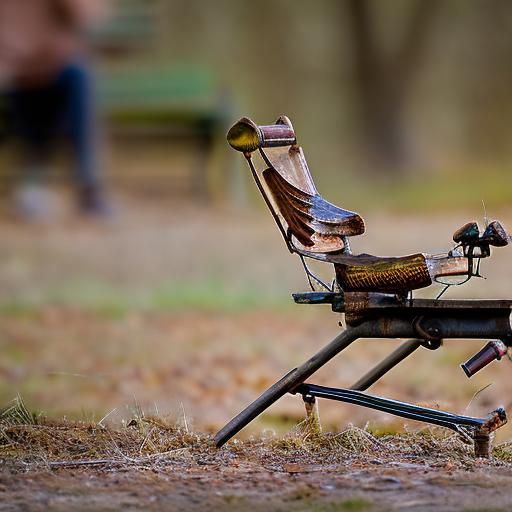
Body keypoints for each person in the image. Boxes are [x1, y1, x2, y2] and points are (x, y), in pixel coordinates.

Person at [0, 0, 111, 219]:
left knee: (77, 76)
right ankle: (37, 180)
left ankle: (85, 184)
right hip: (15, 71)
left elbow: (91, 16)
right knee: (52, 86)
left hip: (56, 67)